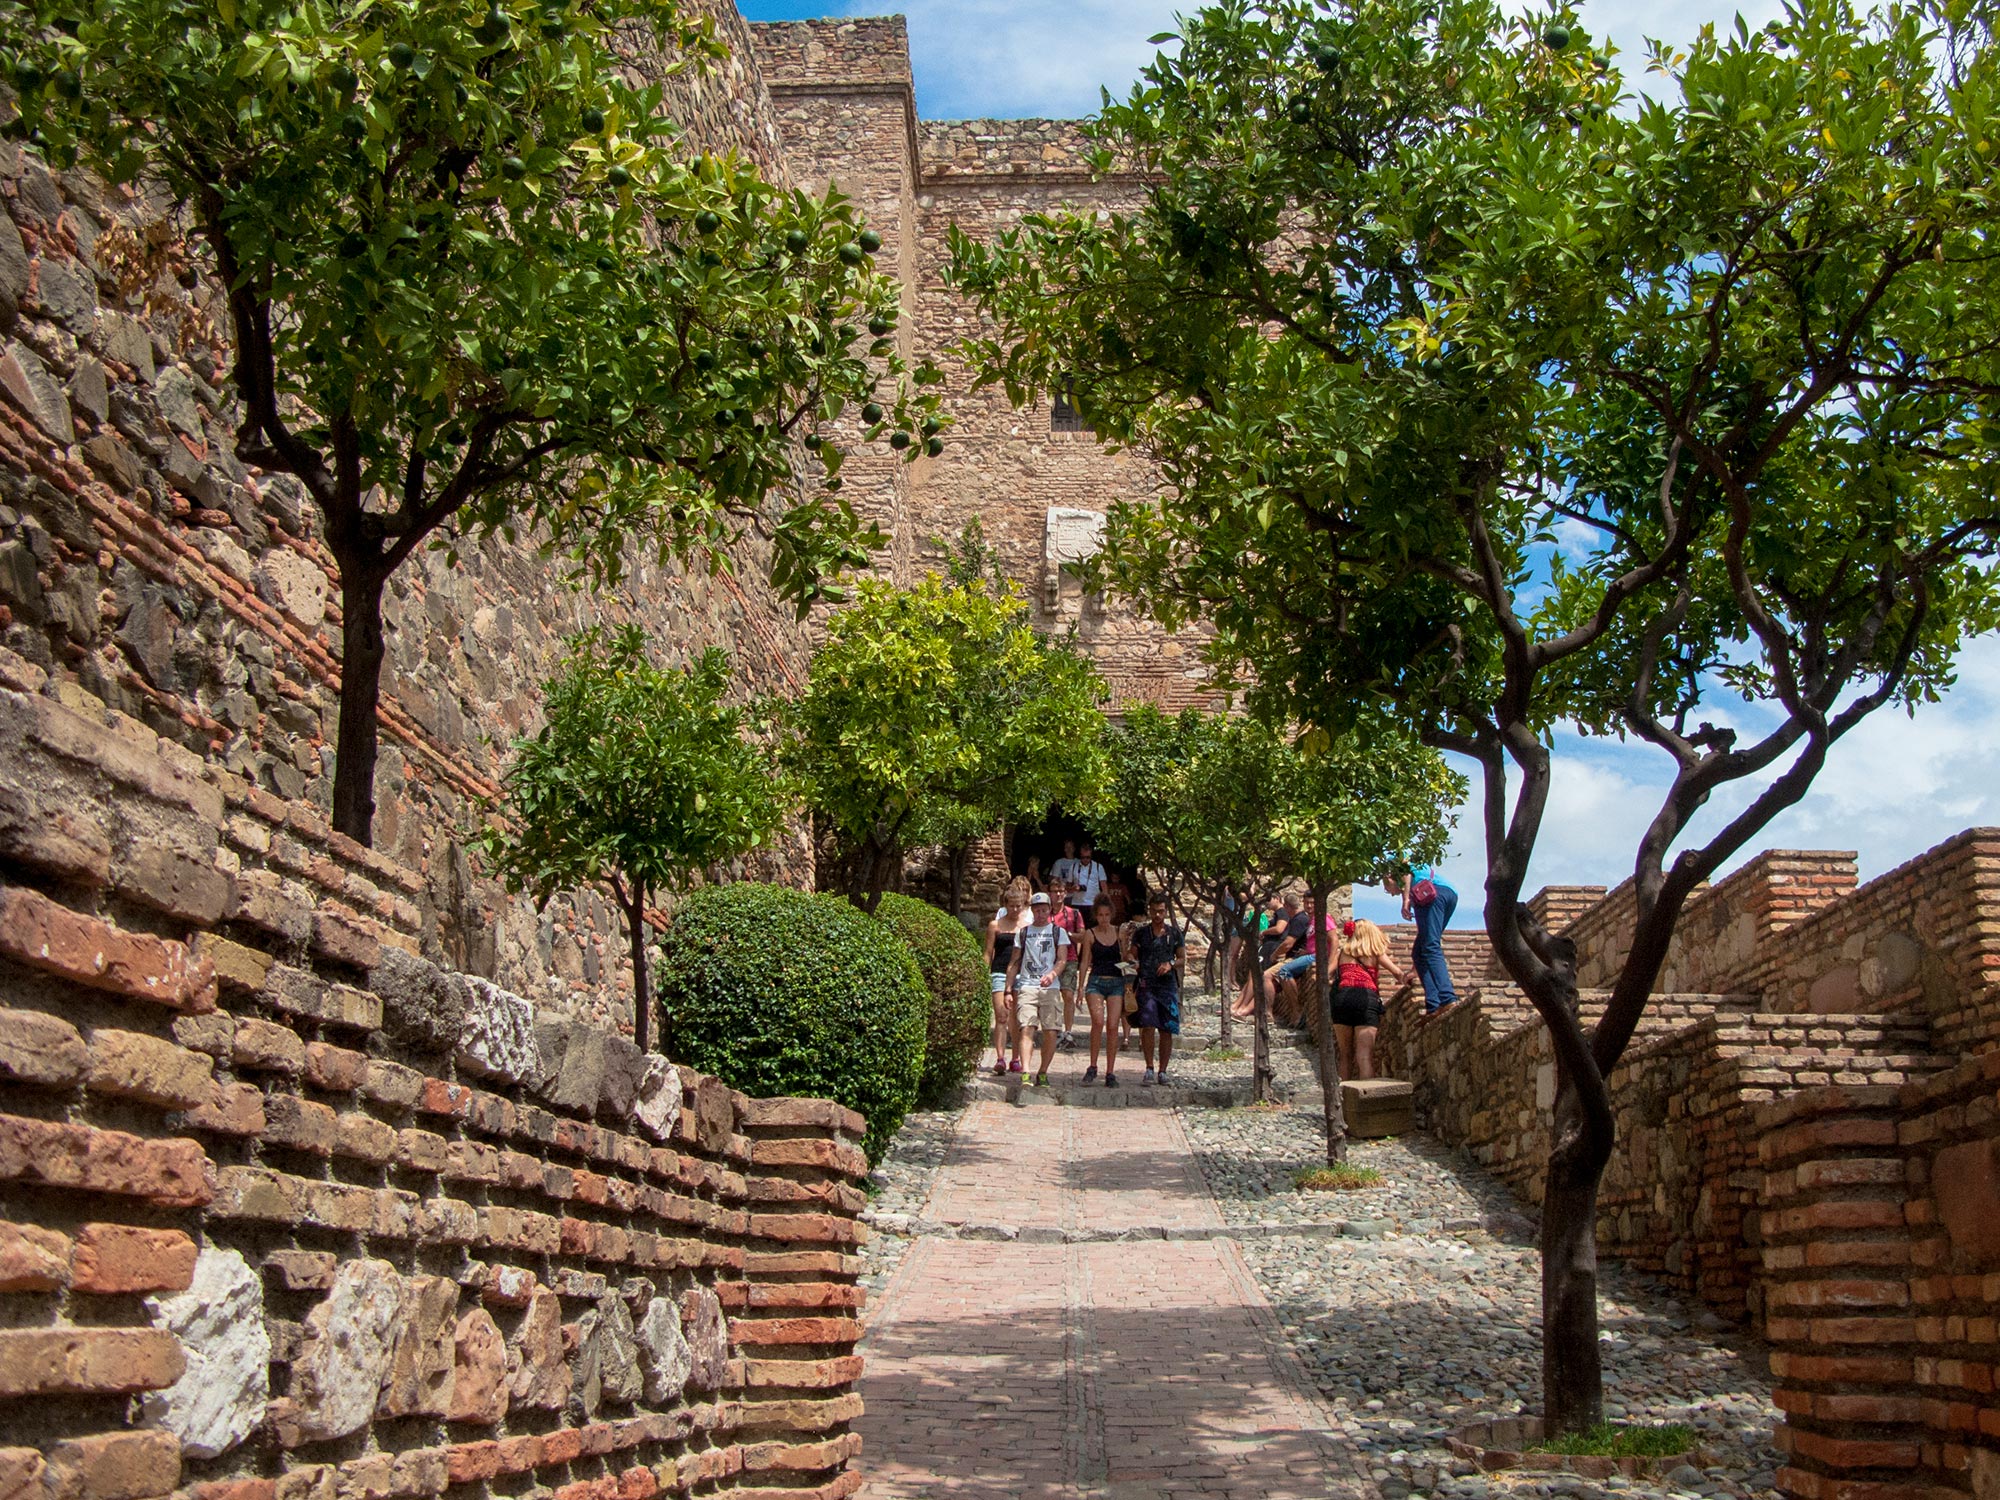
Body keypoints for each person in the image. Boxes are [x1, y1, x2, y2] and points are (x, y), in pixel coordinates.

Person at [1327, 918, 1407, 1081]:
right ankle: (1366, 1101)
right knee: (1364, 1056)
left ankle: (1343, 1101)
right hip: (1366, 998)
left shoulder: (1343, 952)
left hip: (1342, 999)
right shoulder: (1375, 952)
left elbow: (1327, 973)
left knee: (1345, 1054)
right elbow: (1398, 973)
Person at [1005, 892, 1072, 1086]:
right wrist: (1009, 989)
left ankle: (1043, 1071)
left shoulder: (1058, 932)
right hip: (1027, 984)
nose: (1041, 913)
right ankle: (1026, 1070)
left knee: (1050, 1030)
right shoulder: (1024, 932)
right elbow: (1015, 961)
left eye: (1044, 909)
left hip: (1050, 988)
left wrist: (1052, 974)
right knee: (1027, 1027)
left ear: (1049, 910)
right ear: (1032, 911)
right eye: (1037, 910)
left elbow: (1062, 959)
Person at [1387, 863, 1460, 1016]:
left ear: (1389, 878)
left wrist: (1406, 900)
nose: (1391, 893)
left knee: (1431, 946)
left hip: (1433, 894)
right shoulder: (1415, 867)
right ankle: (1433, 1005)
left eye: (1388, 889)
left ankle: (1447, 998)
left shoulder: (1394, 859)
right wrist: (1415, 970)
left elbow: (1405, 872)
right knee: (1420, 951)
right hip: (1449, 894)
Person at [1129, 894, 1184, 1085]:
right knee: (1147, 1025)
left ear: (1166, 911)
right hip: (1146, 983)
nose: (1157, 914)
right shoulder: (1141, 934)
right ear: (1149, 910)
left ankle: (1163, 1070)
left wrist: (1170, 964)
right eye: (1154, 911)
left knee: (1166, 1028)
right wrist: (1133, 962)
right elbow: (1131, 954)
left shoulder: (1174, 934)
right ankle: (1149, 1067)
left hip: (1167, 985)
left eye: (1161, 911)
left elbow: (1182, 958)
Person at [985, 877, 1033, 1074]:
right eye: (1012, 906)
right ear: (1005, 905)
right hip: (999, 972)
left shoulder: (1026, 927)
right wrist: (983, 973)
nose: (1015, 910)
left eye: (1018, 906)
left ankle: (1015, 1058)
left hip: (1021, 974)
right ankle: (1000, 1057)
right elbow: (988, 952)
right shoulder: (995, 925)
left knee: (1016, 1018)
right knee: (1001, 1016)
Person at [1236, 894, 1308, 1018]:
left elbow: (1285, 939)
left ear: (1283, 904)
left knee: (1263, 976)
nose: (1268, 903)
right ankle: (1244, 1008)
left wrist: (1275, 953)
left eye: (1270, 899)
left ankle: (1263, 1012)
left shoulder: (1294, 917)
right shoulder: (1292, 917)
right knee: (1262, 978)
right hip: (1285, 955)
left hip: (1281, 953)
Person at [1079, 898, 1126, 1085]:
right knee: (1097, 1022)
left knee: (1113, 1026)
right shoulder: (1090, 934)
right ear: (1095, 916)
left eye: (1107, 915)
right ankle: (1092, 1066)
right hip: (1096, 981)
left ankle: (1110, 1071)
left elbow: (1125, 955)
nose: (1104, 919)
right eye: (1100, 915)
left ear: (1111, 915)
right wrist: (1081, 988)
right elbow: (1084, 962)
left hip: (1116, 981)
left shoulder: (1119, 932)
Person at [1047, 876, 1087, 1049]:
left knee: (1068, 994)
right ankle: (1053, 1029)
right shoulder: (1044, 914)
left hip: (1069, 958)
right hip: (1049, 960)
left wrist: (1066, 935)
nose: (1058, 895)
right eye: (1055, 891)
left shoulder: (1073, 914)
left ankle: (1068, 1031)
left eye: (1061, 891)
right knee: (1051, 996)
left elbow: (1083, 936)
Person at [1068, 840, 1107, 916]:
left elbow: (1104, 886)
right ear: (1080, 856)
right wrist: (1073, 888)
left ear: (1091, 856)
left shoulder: (1098, 866)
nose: (1085, 859)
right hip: (1077, 903)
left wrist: (1105, 903)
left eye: (1088, 857)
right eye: (1083, 857)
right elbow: (1067, 886)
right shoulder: (1073, 867)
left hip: (1093, 903)